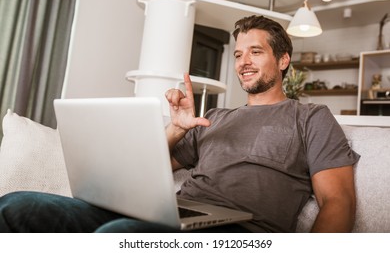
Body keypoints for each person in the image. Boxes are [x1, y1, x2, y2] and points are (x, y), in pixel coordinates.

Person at [0, 15, 359, 233]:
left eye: (255, 52)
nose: (243, 62)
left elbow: (338, 201)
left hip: (240, 231)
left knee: (119, 233)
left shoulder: (310, 118)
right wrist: (177, 128)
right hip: (172, 218)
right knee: (16, 205)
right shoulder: (214, 118)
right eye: (237, 54)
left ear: (283, 60)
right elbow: (144, 168)